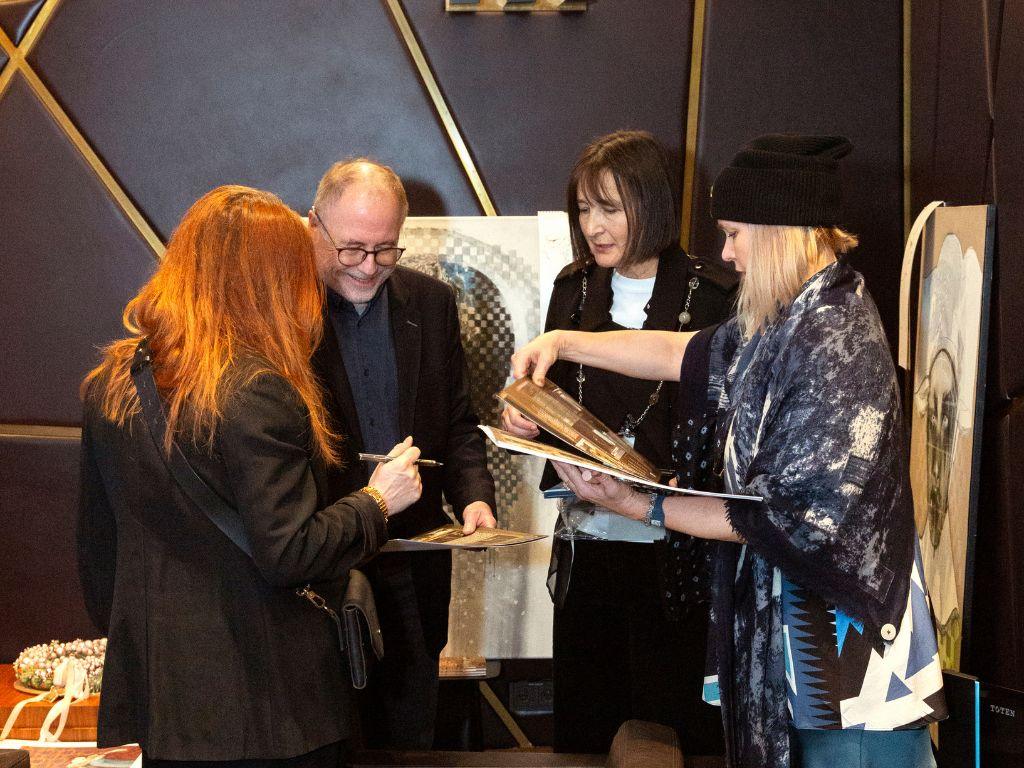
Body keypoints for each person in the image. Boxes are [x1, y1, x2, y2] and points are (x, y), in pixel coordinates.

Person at [512, 136, 946, 768]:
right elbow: (681, 353)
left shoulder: (835, 340)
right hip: (807, 658)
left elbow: (774, 517)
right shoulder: (792, 316)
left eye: (735, 234)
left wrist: (640, 505)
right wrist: (562, 342)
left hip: (849, 670)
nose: (726, 253)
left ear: (781, 231)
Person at [77, 185, 423, 768]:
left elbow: (98, 555)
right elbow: (290, 552)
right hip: (271, 709)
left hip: (165, 704)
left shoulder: (112, 384)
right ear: (272, 281)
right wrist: (378, 501)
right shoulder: (257, 390)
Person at [500, 130, 734, 754]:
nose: (594, 227)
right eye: (584, 209)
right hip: (589, 541)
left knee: (673, 728)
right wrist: (527, 420)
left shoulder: (713, 294)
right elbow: (554, 402)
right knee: (588, 725)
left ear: (651, 203)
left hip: (679, 547)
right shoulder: (573, 288)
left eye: (610, 208)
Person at [307, 159, 497, 749]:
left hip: (415, 560)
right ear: (315, 227)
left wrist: (475, 498)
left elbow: (458, 422)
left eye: (385, 249)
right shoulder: (286, 312)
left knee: (412, 734)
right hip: (325, 564)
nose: (369, 266)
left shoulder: (432, 303)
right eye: (352, 249)